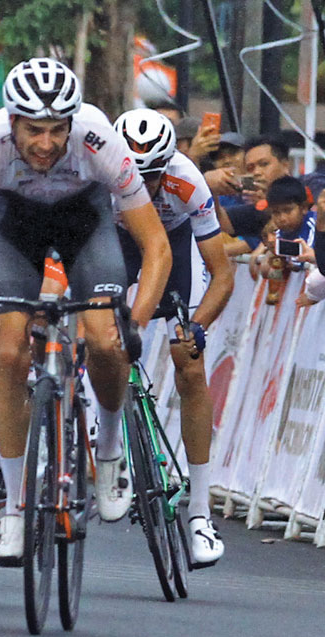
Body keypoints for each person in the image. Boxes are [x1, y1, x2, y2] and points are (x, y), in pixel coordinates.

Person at [0, 58, 171, 563]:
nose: (47, 144)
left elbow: (156, 245)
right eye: (34, 131)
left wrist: (134, 322)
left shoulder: (99, 141)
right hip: (15, 228)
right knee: (8, 355)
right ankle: (14, 508)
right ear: (12, 122)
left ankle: (110, 447)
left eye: (56, 130)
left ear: (72, 123)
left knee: (103, 338)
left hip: (85, 222)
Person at [113, 109, 234, 564]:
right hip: (119, 241)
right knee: (101, 336)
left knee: (189, 364)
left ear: (169, 166)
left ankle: (200, 514)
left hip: (177, 245)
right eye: (133, 177)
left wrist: (196, 327)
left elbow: (222, 276)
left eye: (152, 178)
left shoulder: (187, 183)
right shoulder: (101, 174)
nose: (141, 188)